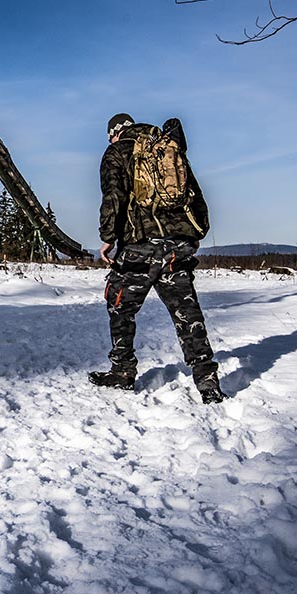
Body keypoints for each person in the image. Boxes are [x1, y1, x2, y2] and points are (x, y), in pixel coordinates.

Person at [90, 112, 225, 404]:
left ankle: (123, 371)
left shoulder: (116, 152)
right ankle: (207, 381)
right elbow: (194, 193)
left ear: (115, 132)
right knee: (187, 313)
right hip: (177, 247)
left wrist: (107, 237)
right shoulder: (167, 147)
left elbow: (113, 197)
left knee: (120, 306)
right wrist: (196, 232)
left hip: (139, 246)